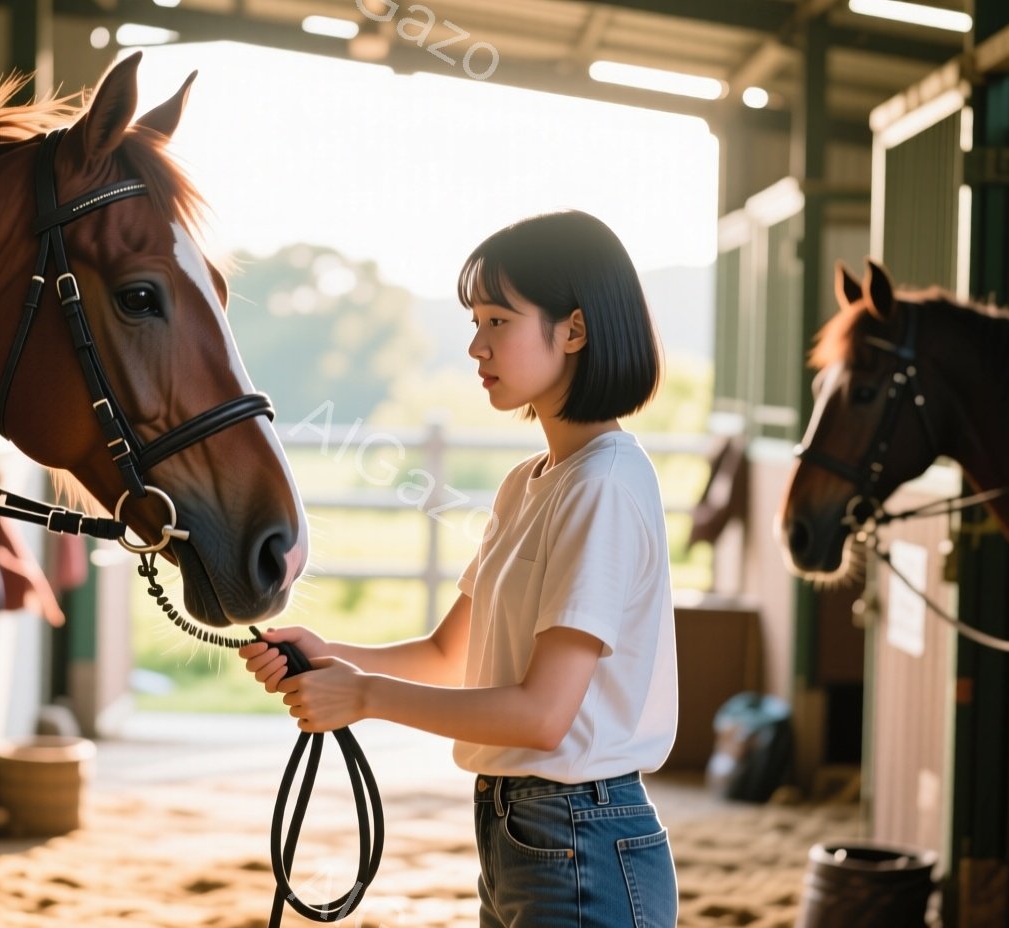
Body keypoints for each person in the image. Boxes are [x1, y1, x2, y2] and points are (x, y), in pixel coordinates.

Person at [239, 209, 679, 927]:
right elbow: (452, 654)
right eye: (475, 320)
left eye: (498, 320)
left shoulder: (604, 484)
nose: (476, 345)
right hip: (522, 837)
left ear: (574, 329)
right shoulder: (529, 482)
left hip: (580, 840)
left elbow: (542, 715)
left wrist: (365, 697)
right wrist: (330, 656)